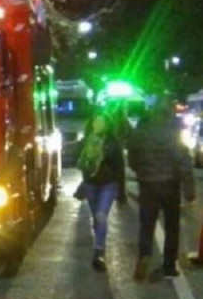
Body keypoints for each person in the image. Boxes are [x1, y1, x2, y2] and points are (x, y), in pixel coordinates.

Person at [129, 96, 195, 280]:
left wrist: (141, 171)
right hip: (170, 184)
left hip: (148, 184)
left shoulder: (142, 129)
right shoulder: (174, 129)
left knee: (146, 224)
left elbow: (132, 155)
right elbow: (184, 160)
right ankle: (168, 265)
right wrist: (189, 191)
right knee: (172, 226)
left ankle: (145, 255)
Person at [77, 112, 125, 272]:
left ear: (107, 125)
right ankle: (99, 243)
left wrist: (122, 191)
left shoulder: (113, 142)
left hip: (108, 184)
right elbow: (79, 161)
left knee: (101, 216)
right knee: (96, 218)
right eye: (96, 122)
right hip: (91, 184)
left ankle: (99, 251)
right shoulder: (86, 141)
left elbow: (120, 167)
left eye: (102, 122)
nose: (98, 125)